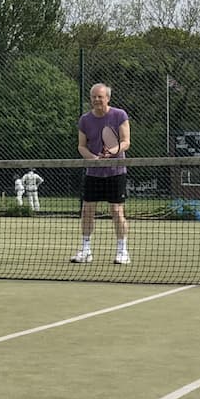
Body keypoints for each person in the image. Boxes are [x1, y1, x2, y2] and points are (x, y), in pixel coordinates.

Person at [74, 82, 131, 265]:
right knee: (87, 210)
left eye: (100, 96)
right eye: (93, 97)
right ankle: (86, 250)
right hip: (93, 173)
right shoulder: (84, 119)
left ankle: (122, 251)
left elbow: (126, 141)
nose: (97, 100)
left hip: (116, 171)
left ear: (107, 98)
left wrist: (113, 151)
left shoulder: (119, 115)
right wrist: (93, 158)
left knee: (116, 210)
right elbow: (81, 146)